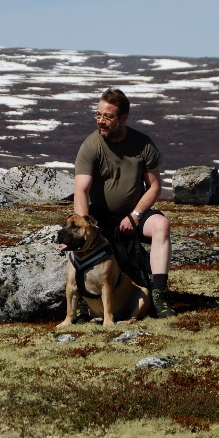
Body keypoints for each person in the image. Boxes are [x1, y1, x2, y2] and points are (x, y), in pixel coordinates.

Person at [73, 87, 175, 318]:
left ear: (123, 118)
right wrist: (85, 224)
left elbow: (155, 187)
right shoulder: (91, 146)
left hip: (134, 213)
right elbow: (81, 189)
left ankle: (159, 295)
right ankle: (81, 299)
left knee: (162, 225)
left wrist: (136, 214)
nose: (101, 121)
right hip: (101, 216)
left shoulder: (143, 144)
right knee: (77, 238)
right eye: (98, 115)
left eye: (107, 117)